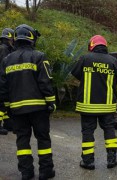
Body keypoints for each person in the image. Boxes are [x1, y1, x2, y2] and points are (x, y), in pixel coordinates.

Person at [0, 24, 56, 180]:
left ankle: (26, 172)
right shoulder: (39, 56)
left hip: (17, 110)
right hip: (39, 108)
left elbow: (3, 87)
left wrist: (7, 106)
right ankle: (45, 171)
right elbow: (45, 82)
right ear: (31, 38)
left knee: (22, 140)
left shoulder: (6, 60)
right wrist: (51, 102)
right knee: (43, 138)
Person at [71, 35, 117, 170]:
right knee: (109, 129)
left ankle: (88, 161)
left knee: (88, 132)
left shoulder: (85, 58)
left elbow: (75, 73)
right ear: (105, 46)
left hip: (88, 106)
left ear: (91, 46)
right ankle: (111, 159)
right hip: (107, 106)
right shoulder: (114, 61)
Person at [0, 27, 14, 135]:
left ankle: (8, 124)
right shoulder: (4, 49)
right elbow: (5, 66)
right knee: (1, 104)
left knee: (5, 104)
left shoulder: (5, 48)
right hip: (2, 79)